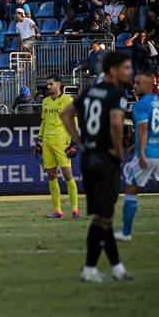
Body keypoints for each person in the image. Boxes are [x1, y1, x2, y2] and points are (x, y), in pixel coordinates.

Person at [60, 50, 133, 283]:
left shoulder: (91, 90)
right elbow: (115, 122)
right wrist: (119, 153)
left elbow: (66, 113)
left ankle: (117, 267)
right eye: (126, 68)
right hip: (105, 158)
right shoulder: (116, 94)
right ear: (113, 71)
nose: (129, 72)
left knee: (105, 216)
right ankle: (89, 269)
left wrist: (80, 140)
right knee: (103, 217)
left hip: (88, 158)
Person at [115, 73, 159, 241]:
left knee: (131, 189)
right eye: (135, 83)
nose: (135, 86)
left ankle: (126, 232)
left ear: (149, 86)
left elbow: (143, 129)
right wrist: (136, 143)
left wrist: (140, 151)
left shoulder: (140, 105)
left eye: (139, 83)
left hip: (147, 153)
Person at [37, 75, 80, 219]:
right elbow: (43, 121)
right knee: (51, 175)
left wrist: (74, 142)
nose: (48, 87)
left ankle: (75, 210)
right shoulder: (46, 101)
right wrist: (39, 140)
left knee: (68, 175)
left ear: (59, 84)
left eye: (51, 84)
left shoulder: (67, 100)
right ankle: (57, 210)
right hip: (47, 143)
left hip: (62, 143)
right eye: (47, 84)